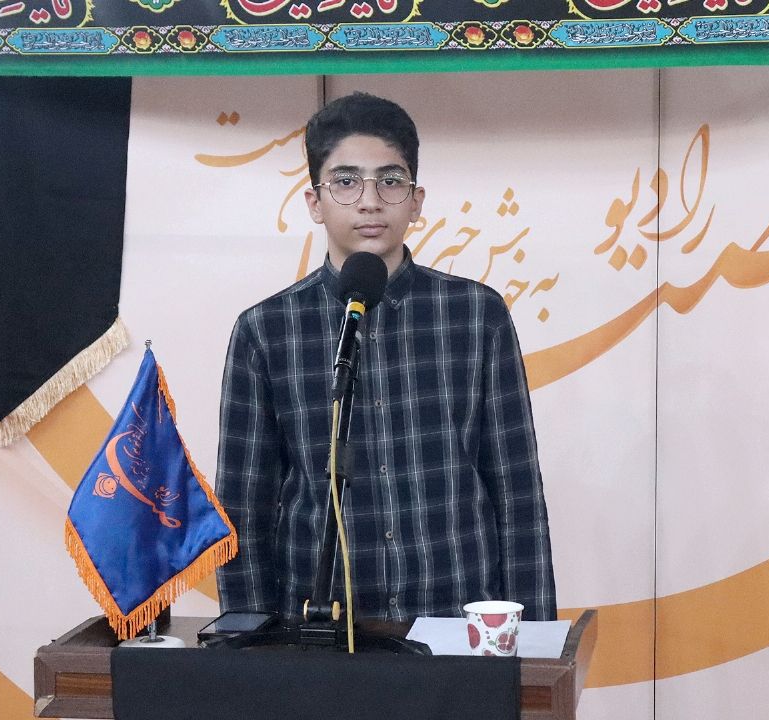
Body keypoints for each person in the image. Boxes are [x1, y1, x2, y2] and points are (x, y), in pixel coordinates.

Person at [215, 92, 556, 622]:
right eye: (346, 182)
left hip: (458, 622)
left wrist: (529, 645)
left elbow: (518, 495)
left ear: (416, 202)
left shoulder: (476, 315)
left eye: (390, 181)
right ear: (314, 202)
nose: (370, 201)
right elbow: (243, 512)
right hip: (321, 631)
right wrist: (249, 647)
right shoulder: (266, 330)